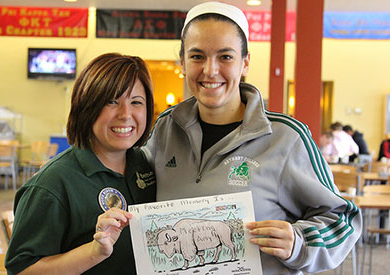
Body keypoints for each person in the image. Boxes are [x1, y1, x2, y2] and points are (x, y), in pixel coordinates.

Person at [142, 2, 361, 274]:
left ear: (245, 62)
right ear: (183, 63)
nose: (210, 70)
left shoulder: (286, 137)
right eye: (197, 56)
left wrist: (298, 242)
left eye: (225, 57)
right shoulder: (164, 129)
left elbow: (342, 220)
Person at [5, 53, 156, 274]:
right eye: (111, 101)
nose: (126, 114)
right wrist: (94, 252)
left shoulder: (146, 165)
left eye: (136, 102)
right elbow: (22, 270)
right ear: (87, 107)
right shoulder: (53, 184)